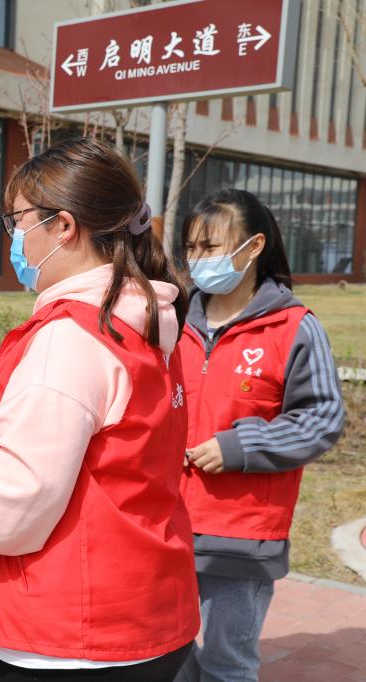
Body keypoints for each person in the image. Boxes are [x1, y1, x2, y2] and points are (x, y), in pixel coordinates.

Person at [0, 137, 200, 681]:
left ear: (64, 227)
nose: (14, 239)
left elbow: (16, 502)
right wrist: (8, 399)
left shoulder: (69, 339)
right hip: (143, 609)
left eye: (18, 221)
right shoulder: (138, 318)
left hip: (74, 629)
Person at [174, 189, 345, 682]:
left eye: (211, 247)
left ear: (253, 247)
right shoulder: (174, 322)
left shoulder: (293, 328)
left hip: (241, 534)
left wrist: (238, 447)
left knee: (226, 664)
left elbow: (322, 418)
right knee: (166, 655)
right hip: (168, 523)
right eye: (192, 248)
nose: (198, 260)